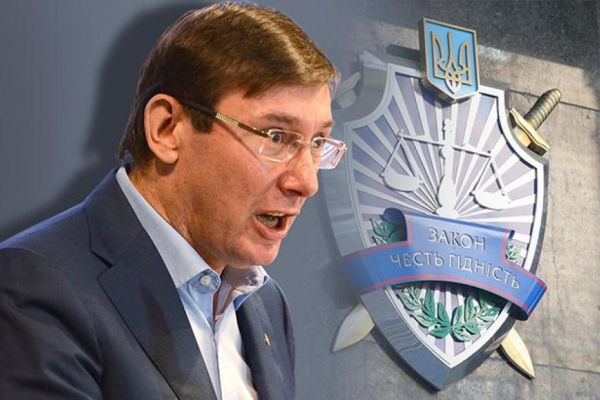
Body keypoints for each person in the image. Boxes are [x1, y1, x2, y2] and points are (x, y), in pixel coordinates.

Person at [0, 3, 346, 399]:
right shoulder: (33, 288)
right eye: (276, 137)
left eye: (317, 142)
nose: (306, 182)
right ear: (166, 129)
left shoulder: (266, 304)